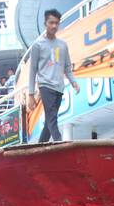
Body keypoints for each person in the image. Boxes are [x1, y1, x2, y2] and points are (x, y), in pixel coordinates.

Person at [27, 9, 80, 143]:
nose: (54, 26)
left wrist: (73, 82)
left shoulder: (63, 45)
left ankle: (39, 149)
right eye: (51, 23)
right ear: (45, 23)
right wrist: (31, 94)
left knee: (49, 122)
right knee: (52, 119)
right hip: (45, 86)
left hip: (59, 87)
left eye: (57, 23)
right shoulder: (37, 45)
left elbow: (67, 66)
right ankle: (60, 143)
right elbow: (32, 70)